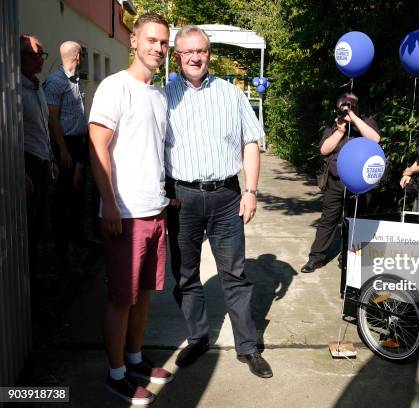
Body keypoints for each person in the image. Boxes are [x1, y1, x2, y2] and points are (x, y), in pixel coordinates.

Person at [164, 25, 272, 378]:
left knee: (235, 274)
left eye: (202, 51)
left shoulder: (232, 94)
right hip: (183, 198)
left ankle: (248, 347)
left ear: (209, 54)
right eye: (188, 52)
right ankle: (197, 338)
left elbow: (251, 142)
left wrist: (251, 190)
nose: (195, 57)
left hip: (227, 196)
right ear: (177, 56)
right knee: (185, 275)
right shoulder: (163, 97)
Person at [88, 12, 174, 405]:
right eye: (152, 40)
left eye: (163, 42)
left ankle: (136, 359)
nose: (158, 48)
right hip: (123, 212)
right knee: (121, 297)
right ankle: (116, 372)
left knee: (143, 295)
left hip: (154, 209)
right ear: (134, 41)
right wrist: (109, 203)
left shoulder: (158, 94)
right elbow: (97, 148)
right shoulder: (114, 87)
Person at [301, 92, 381, 273]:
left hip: (359, 182)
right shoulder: (334, 125)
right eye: (342, 106)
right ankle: (316, 258)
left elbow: (375, 139)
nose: (345, 109)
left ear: (356, 106)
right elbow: (324, 149)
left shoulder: (366, 121)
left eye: (349, 105)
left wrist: (354, 118)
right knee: (328, 220)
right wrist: (340, 130)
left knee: (356, 220)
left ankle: (348, 257)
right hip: (336, 180)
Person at [44, 41, 90, 258]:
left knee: (77, 192)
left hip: (79, 142)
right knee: (64, 197)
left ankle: (77, 239)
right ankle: (62, 248)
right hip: (65, 144)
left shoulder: (77, 80)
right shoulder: (56, 82)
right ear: (77, 56)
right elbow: (52, 118)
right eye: (83, 54)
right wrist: (62, 150)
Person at [20, 34, 58, 274]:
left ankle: (43, 277)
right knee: (29, 230)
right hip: (28, 166)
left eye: (42, 55)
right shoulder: (14, 91)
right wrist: (21, 172)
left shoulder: (37, 86)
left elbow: (43, 127)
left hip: (43, 163)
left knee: (45, 225)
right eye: (36, 55)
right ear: (20, 57)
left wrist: (52, 158)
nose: (41, 60)